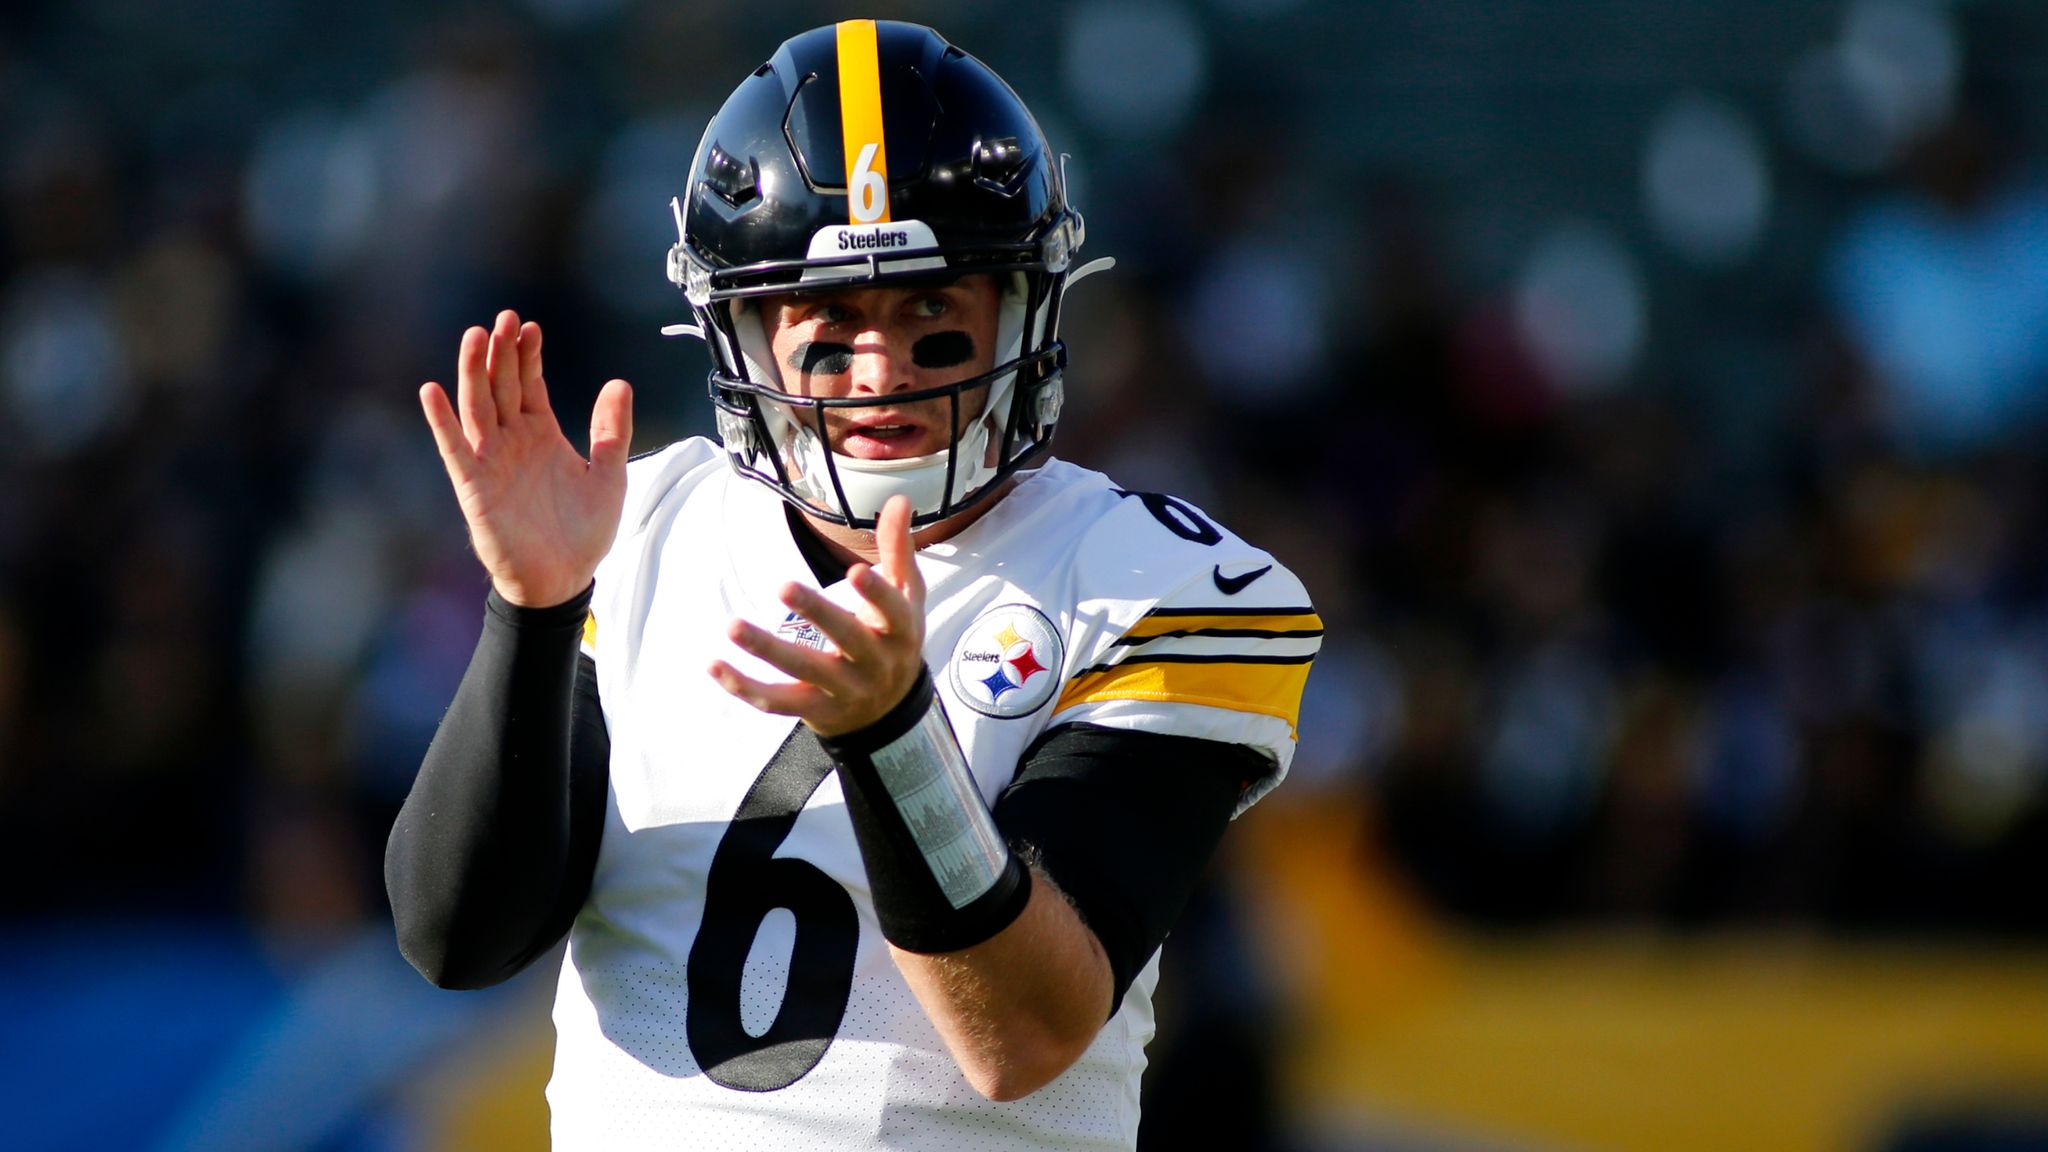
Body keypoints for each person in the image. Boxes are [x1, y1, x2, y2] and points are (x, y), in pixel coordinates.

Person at [385, 19, 1320, 1151]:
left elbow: (1022, 1038)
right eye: (828, 325)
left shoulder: (1151, 587)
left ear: (1020, 311)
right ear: (742, 333)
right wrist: (530, 611)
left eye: (930, 316)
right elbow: (455, 939)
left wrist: (891, 737)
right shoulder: (638, 532)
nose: (878, 370)